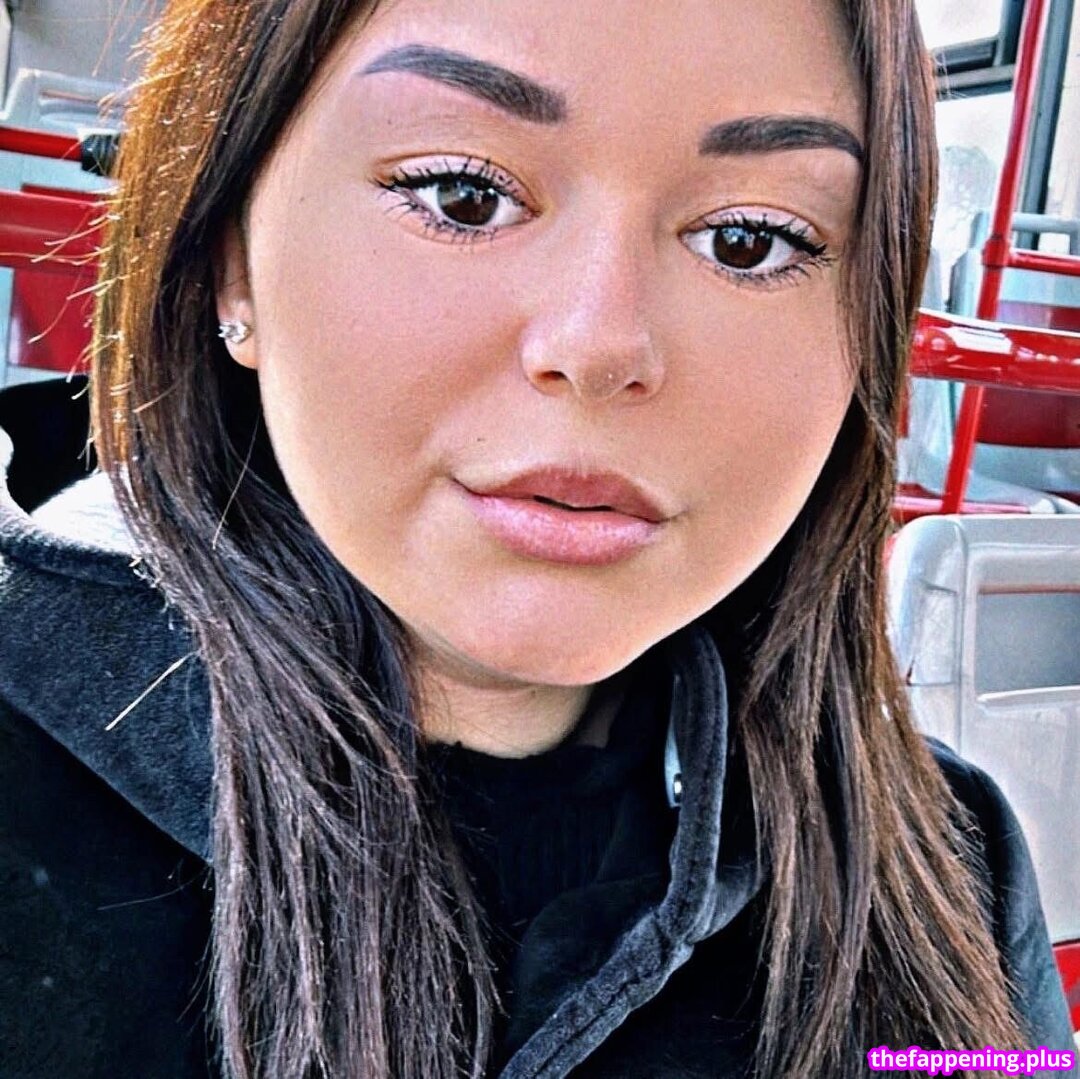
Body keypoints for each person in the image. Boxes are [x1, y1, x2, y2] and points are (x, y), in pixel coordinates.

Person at [0, 0, 1075, 1077]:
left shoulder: (951, 866)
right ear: (233, 253)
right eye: (461, 195)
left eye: (750, 241)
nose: (601, 344)